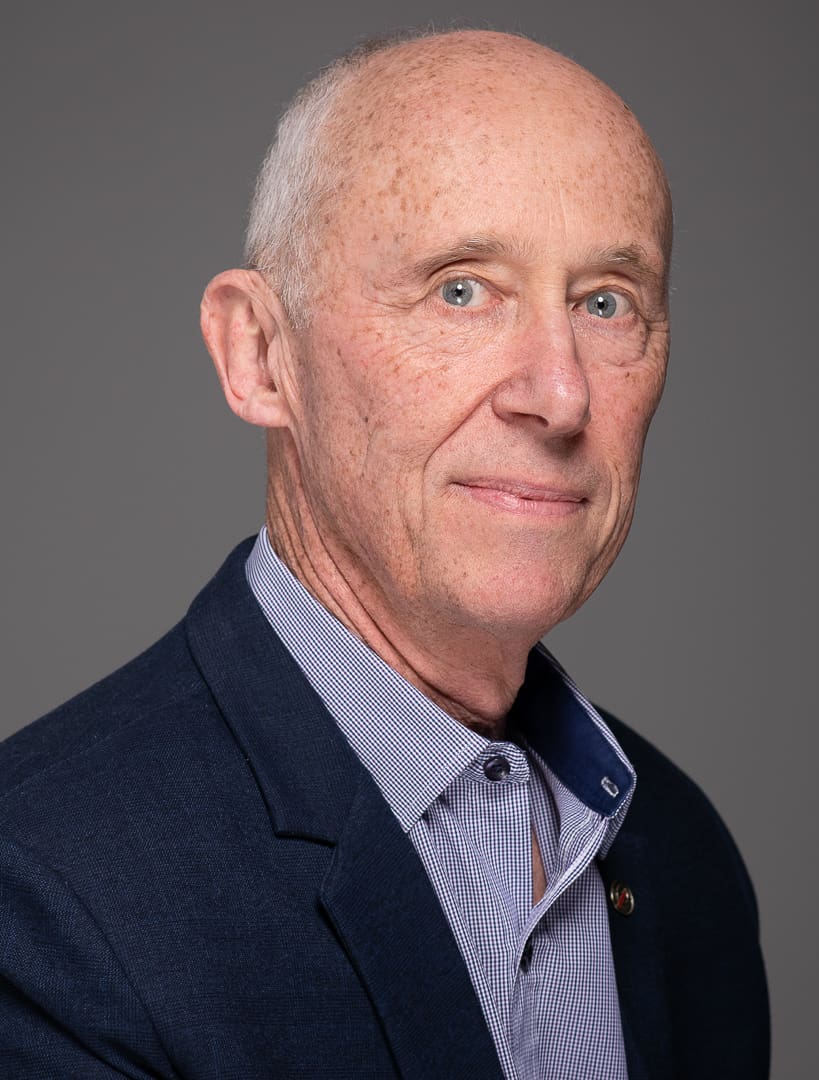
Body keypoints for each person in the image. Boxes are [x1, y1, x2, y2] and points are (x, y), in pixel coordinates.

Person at [0, 28, 769, 1080]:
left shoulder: (680, 858)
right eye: (462, 289)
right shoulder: (43, 893)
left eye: (605, 303)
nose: (559, 393)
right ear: (261, 356)